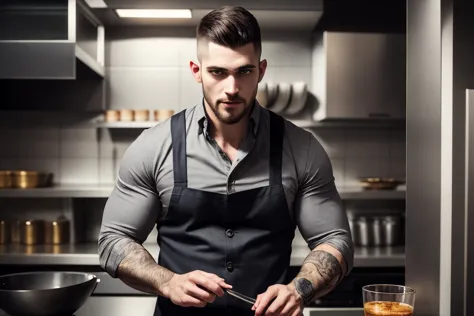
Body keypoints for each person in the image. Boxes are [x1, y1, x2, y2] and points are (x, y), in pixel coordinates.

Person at [98, 5, 354, 316]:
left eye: (244, 71)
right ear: (197, 71)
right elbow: (113, 240)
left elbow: (335, 240)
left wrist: (298, 289)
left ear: (261, 70)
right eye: (218, 72)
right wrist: (167, 282)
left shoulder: (303, 148)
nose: (231, 89)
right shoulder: (153, 146)